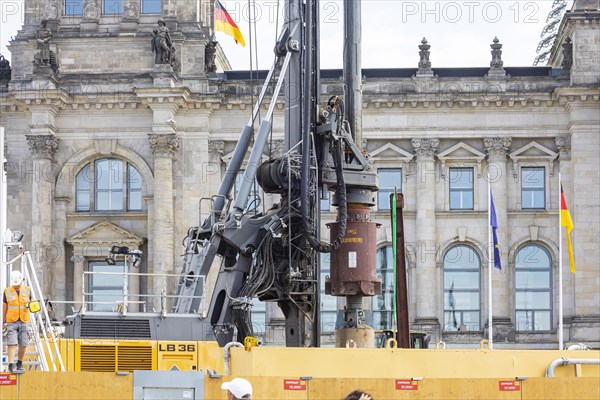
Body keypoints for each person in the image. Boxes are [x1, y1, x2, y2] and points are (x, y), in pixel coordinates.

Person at [2, 270, 32, 374]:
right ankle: (11, 364)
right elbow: (4, 307)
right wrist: (3, 321)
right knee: (12, 343)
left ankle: (19, 363)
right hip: (11, 321)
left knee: (23, 343)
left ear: (21, 280)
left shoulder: (28, 290)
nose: (16, 286)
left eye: (17, 284)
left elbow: (33, 304)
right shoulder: (6, 291)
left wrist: (32, 305)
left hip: (24, 320)